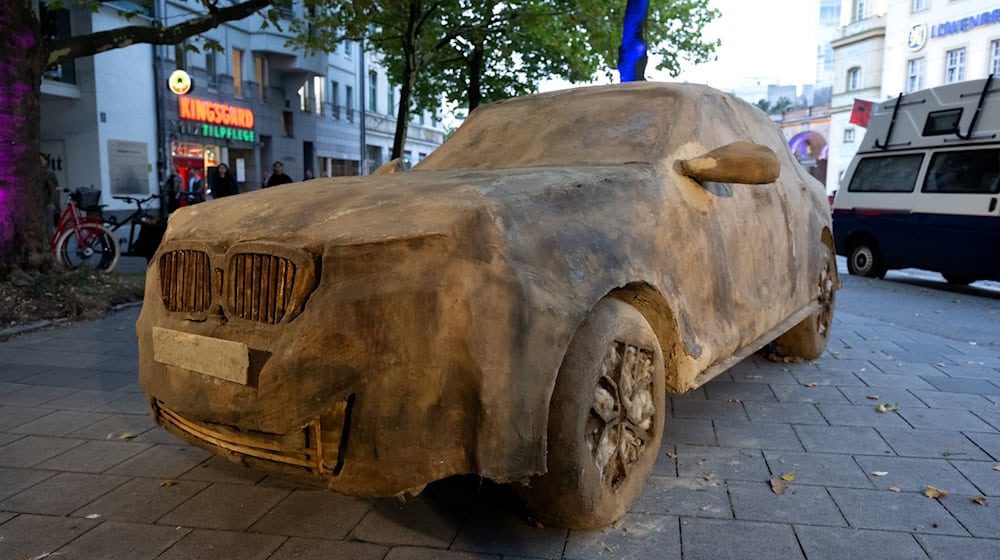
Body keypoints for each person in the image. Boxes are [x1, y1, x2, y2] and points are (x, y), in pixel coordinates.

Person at [39, 153, 59, 240]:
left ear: (46, 161)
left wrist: (52, 203)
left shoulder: (48, 173)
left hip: (47, 203)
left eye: (41, 159)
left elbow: (54, 189)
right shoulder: (40, 172)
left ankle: (51, 245)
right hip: (43, 203)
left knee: (49, 226)